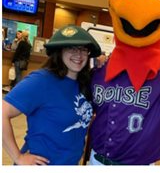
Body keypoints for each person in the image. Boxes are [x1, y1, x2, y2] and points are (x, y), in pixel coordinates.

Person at [2, 25, 101, 165]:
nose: (78, 54)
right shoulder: (42, 80)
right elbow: (2, 112)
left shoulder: (85, 83)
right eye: (71, 48)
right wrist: (18, 157)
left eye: (83, 49)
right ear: (60, 51)